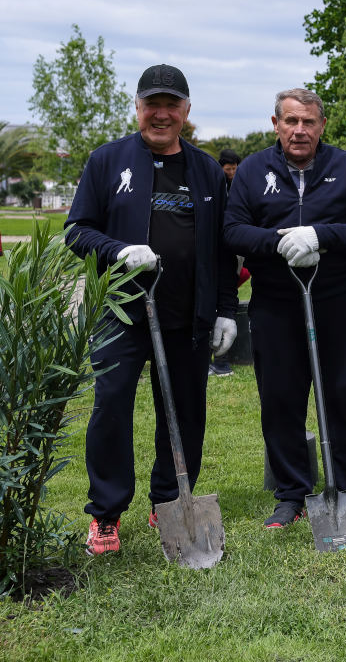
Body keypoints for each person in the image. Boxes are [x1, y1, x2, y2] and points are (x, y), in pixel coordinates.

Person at [65, 64, 238, 556]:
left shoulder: (206, 170)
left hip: (188, 314)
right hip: (122, 313)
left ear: (186, 111)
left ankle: (167, 501)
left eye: (171, 105)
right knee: (111, 409)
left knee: (184, 414)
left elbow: (223, 249)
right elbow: (77, 230)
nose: (161, 114)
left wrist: (226, 309)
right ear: (138, 107)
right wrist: (118, 250)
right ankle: (106, 514)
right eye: (151, 104)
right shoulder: (107, 160)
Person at [224, 88, 346, 529]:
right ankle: (291, 494)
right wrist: (279, 242)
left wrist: (319, 236)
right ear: (275, 124)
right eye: (290, 121)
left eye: (308, 122)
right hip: (275, 305)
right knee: (281, 400)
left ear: (322, 126)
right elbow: (233, 231)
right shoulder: (254, 170)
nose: (299, 130)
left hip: (339, 302)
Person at [208, 148, 243, 377]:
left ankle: (221, 362)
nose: (231, 172)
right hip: (213, 252)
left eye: (233, 169)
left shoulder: (241, 185)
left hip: (233, 253)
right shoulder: (214, 184)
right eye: (228, 169)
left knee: (225, 306)